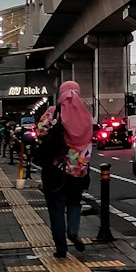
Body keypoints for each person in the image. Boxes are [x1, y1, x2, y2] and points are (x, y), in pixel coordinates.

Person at [35, 82, 93, 258]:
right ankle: (73, 233)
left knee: (56, 209)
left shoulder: (53, 111)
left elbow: (40, 132)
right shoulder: (85, 114)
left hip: (55, 170)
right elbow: (89, 141)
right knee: (74, 203)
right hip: (78, 170)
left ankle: (61, 248)